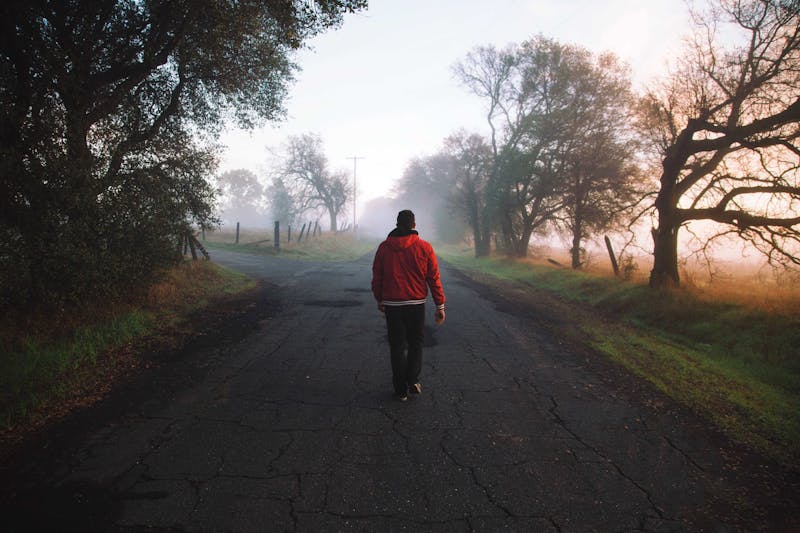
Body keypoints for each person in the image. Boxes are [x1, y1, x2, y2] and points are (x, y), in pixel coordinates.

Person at [371, 209, 446, 401]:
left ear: (397, 223)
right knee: (415, 343)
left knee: (397, 345)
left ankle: (400, 390)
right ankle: (412, 378)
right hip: (416, 303)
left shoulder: (383, 248)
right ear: (414, 225)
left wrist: (380, 298)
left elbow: (377, 276)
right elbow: (433, 277)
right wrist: (440, 305)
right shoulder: (425, 247)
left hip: (392, 304)